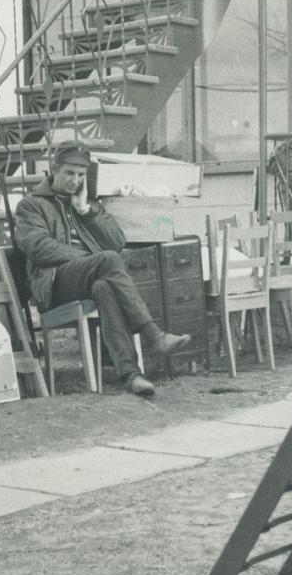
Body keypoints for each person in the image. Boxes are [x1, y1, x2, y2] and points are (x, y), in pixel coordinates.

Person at [14, 141, 192, 398]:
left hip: (90, 278)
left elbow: (117, 241)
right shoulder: (32, 205)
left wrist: (85, 211)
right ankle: (153, 334)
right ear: (54, 169)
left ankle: (131, 375)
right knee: (107, 261)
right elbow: (38, 247)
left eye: (81, 175)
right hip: (53, 283)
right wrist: (91, 259)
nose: (75, 180)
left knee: (104, 287)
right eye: (69, 173)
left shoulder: (88, 204)